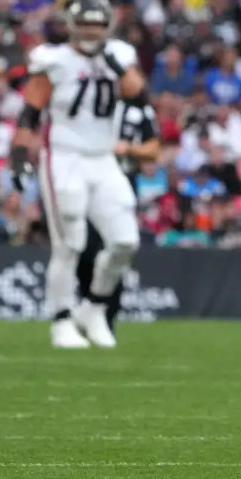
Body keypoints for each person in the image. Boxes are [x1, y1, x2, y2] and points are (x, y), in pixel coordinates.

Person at [13, 0, 150, 350]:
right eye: (86, 24)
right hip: (63, 156)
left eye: (98, 24)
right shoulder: (54, 59)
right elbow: (29, 112)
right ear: (73, 26)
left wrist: (110, 62)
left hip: (103, 158)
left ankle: (93, 306)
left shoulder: (118, 55)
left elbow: (138, 95)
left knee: (125, 241)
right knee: (69, 245)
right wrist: (18, 159)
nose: (92, 31)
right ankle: (61, 320)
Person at [75, 94, 161, 330]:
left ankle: (106, 317)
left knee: (118, 248)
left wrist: (129, 148)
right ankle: (88, 308)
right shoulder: (89, 99)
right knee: (85, 250)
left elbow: (154, 149)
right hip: (88, 182)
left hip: (122, 181)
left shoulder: (139, 109)